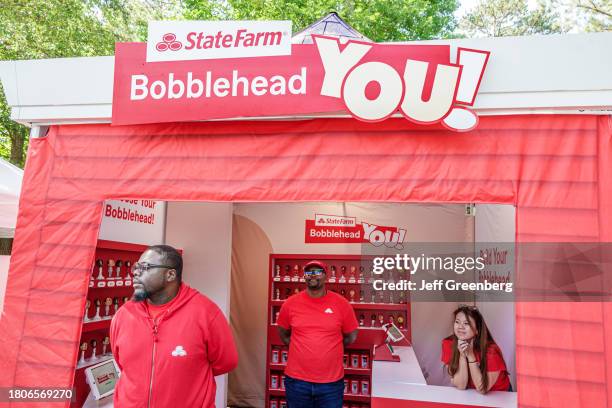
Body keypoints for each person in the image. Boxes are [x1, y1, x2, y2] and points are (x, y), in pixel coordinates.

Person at [110, 245, 238, 407]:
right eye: (136, 267)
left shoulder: (206, 313)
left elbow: (226, 362)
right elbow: (123, 363)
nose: (135, 272)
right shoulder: (124, 315)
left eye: (145, 267)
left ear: (170, 274)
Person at [277, 260, 359, 408]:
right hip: (297, 382)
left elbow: (351, 336)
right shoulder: (290, 304)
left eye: (317, 272)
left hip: (331, 384)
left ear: (326, 276)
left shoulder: (342, 304)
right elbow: (283, 334)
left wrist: (331, 347)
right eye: (309, 273)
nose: (312, 276)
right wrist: (301, 347)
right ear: (304, 277)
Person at [441, 305, 511, 394]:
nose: (460, 327)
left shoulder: (490, 351)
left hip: (500, 395)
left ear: (477, 329)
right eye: (457, 322)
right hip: (472, 394)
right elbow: (461, 385)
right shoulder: (448, 344)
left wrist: (470, 356)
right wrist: (462, 356)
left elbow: (482, 388)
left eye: (466, 323)